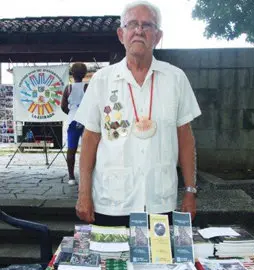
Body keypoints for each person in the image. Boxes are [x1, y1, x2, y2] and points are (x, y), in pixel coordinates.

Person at [74, 1, 201, 226]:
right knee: (111, 261)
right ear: (121, 34)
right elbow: (90, 139)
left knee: (161, 261)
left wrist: (190, 191)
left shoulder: (175, 79)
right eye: (132, 24)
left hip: (160, 202)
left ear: (158, 36)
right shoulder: (102, 80)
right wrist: (84, 193)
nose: (139, 31)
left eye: (147, 25)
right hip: (111, 201)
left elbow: (185, 138)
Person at [61, 62, 88, 185]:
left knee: (71, 149)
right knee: (88, 149)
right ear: (85, 74)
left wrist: (72, 113)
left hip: (72, 120)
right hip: (86, 121)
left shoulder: (68, 88)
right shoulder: (87, 87)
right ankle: (87, 176)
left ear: (72, 74)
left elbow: (63, 106)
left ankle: (71, 177)